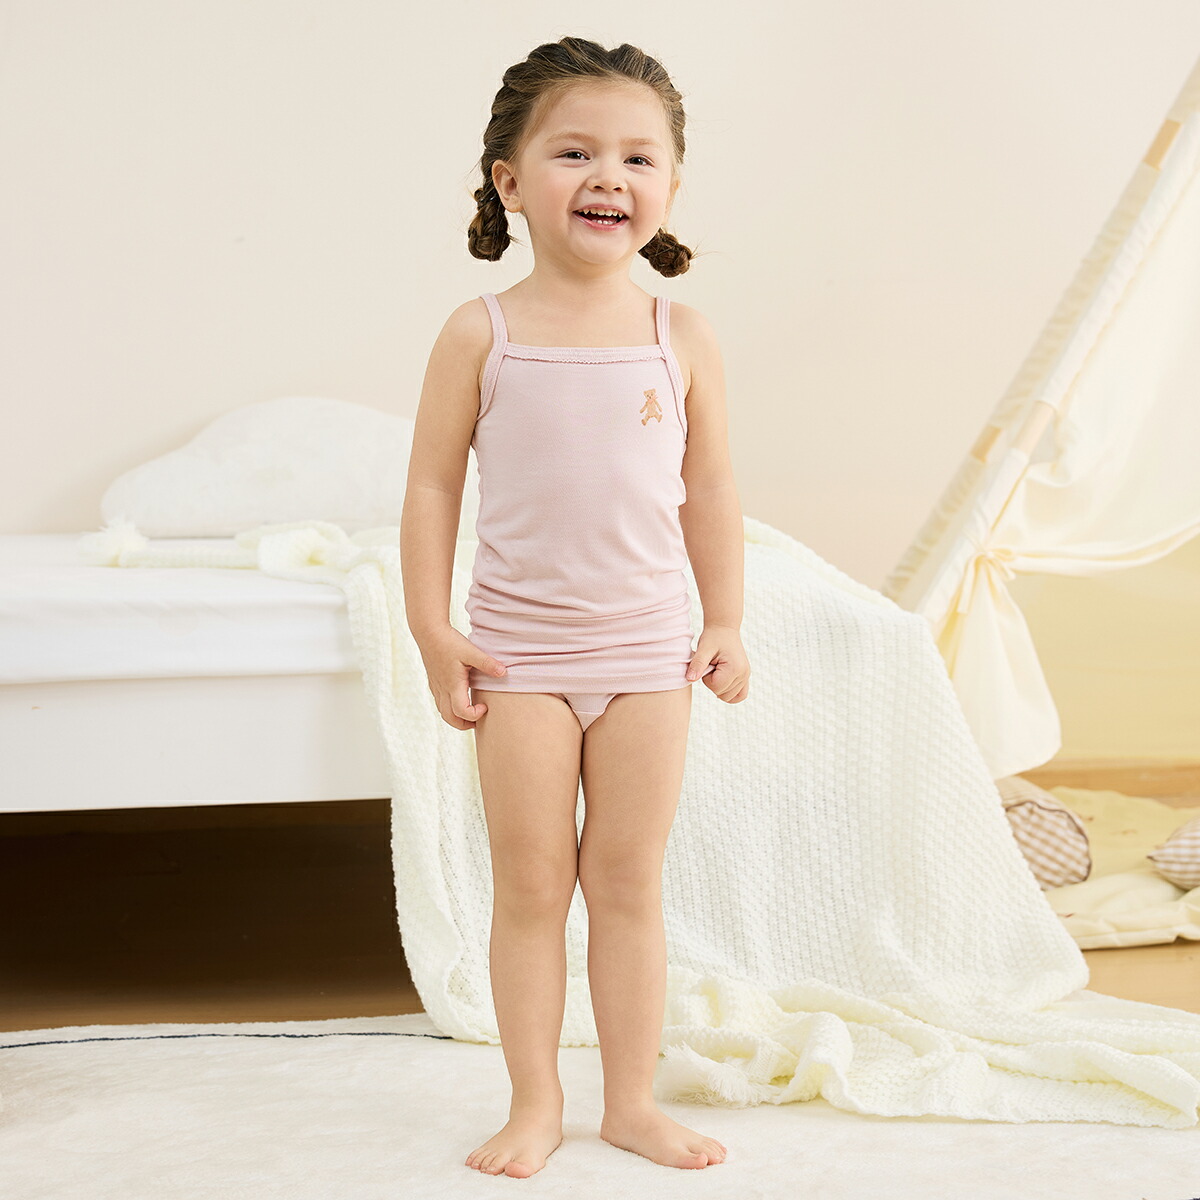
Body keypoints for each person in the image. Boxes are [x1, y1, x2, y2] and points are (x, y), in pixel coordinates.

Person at [400, 34, 749, 1179]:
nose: (609, 177)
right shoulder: (481, 332)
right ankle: (535, 1102)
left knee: (629, 883)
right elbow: (432, 486)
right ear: (510, 180)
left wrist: (725, 619)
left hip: (649, 656)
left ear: (671, 188)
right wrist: (432, 627)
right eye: (575, 153)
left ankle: (632, 1102)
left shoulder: (678, 336)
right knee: (533, 884)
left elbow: (711, 490)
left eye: (639, 157)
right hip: (519, 662)